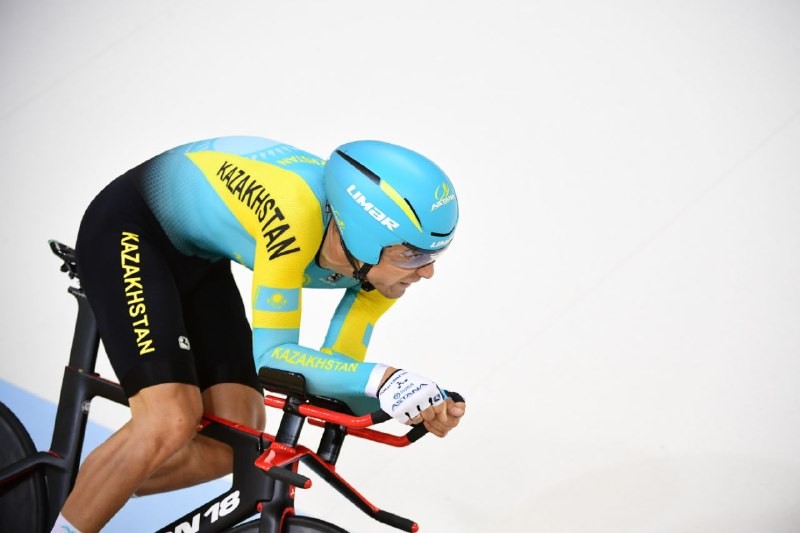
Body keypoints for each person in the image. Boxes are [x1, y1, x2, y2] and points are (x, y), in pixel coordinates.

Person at [52, 136, 467, 533]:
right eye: (414, 254)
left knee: (237, 439)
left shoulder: (380, 272)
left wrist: (409, 400)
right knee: (169, 420)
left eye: (435, 255)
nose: (427, 271)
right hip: (130, 227)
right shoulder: (295, 215)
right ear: (365, 235)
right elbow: (271, 357)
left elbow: (335, 373)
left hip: (199, 255)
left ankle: (88, 495)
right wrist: (383, 380)